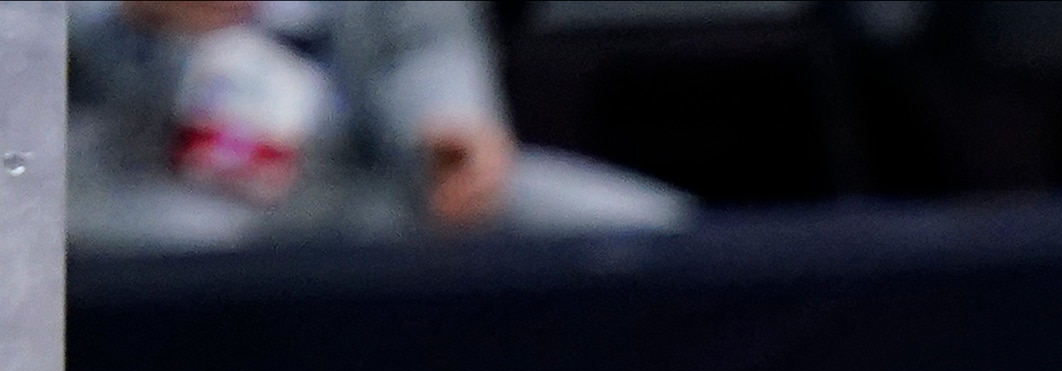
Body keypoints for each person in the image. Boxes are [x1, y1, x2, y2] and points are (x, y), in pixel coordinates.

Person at [64, 2, 690, 251]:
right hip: (146, 189)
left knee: (651, 237)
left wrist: (453, 125)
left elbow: (420, 40)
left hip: (372, 185)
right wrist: (136, 23)